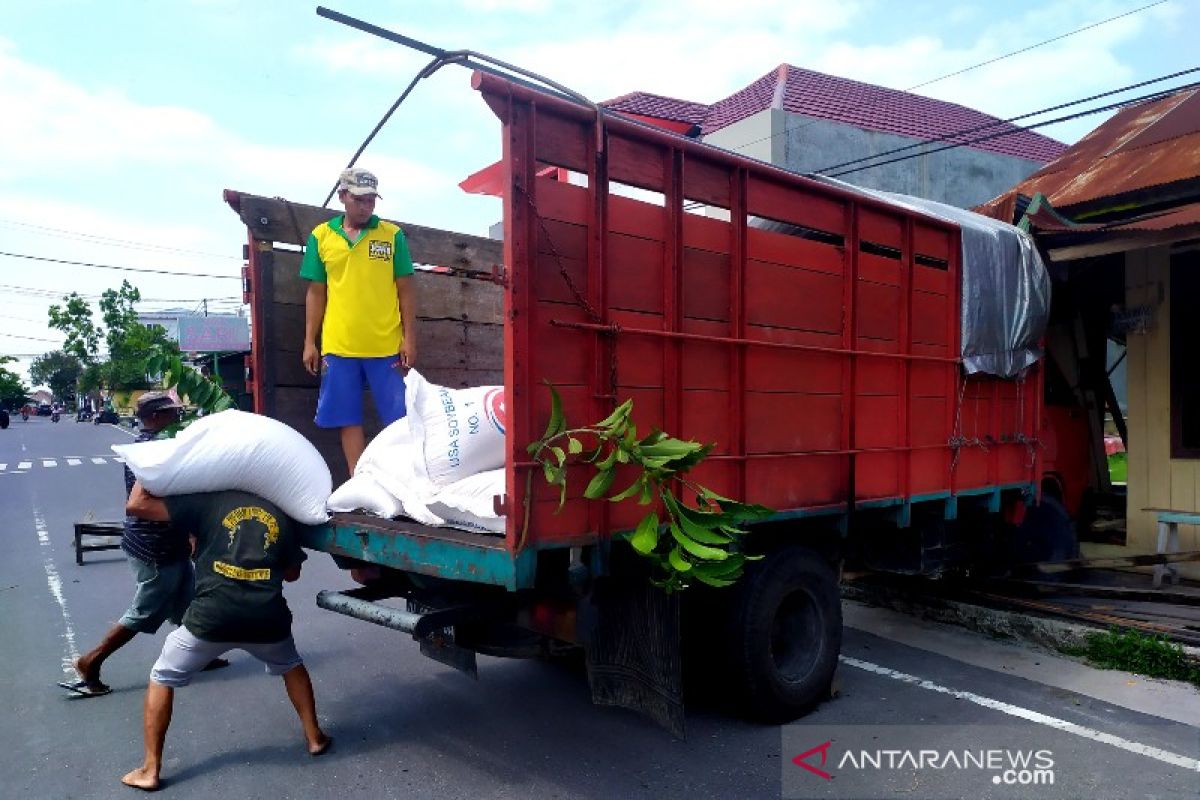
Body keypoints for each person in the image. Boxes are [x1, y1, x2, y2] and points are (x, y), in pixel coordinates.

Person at [120, 483, 330, 791]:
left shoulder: (206, 503)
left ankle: (150, 769)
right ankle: (314, 737)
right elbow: (292, 573)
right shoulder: (283, 513)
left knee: (162, 676)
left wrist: (149, 467)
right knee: (291, 664)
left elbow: (137, 505)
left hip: (210, 619)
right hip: (267, 620)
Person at [63, 392, 227, 697]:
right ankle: (90, 661)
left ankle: (199, 656)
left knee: (189, 604)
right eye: (170, 414)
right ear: (153, 417)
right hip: (154, 548)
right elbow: (145, 503)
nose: (176, 418)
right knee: (144, 612)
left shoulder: (157, 444)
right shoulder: (151, 449)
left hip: (170, 542)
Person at [300, 166, 418, 474]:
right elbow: (316, 292)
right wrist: (309, 342)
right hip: (339, 346)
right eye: (359, 200)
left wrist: (409, 338)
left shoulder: (392, 236)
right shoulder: (321, 236)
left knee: (401, 418)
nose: (366, 207)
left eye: (371, 200)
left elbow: (406, 290)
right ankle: (359, 479)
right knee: (346, 417)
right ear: (342, 197)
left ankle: (404, 476)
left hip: (386, 345)